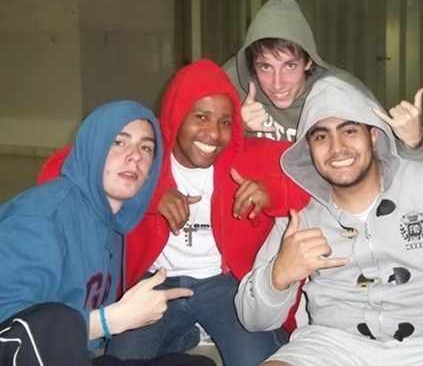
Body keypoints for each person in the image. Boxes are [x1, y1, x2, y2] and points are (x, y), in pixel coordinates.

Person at [235, 76, 423, 366]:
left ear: (374, 136)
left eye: (350, 131)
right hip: (331, 345)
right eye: (321, 137)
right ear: (309, 149)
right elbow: (251, 318)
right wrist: (278, 275)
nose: (337, 148)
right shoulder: (300, 210)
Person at [98, 60, 308, 365]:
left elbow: (316, 172)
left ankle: (188, 331)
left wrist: (271, 194)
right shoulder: (145, 155)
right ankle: (185, 334)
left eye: (225, 122)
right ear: (176, 115)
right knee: (118, 361)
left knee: (259, 362)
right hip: (157, 282)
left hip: (226, 285)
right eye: (201, 117)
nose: (214, 134)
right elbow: (65, 169)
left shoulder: (246, 158)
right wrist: (148, 196)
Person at [0, 100, 214, 366]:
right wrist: (109, 321)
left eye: (146, 147)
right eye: (119, 142)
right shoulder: (41, 218)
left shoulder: (114, 219)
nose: (135, 156)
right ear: (92, 147)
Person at [223, 0, 423, 163]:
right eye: (266, 67)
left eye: (290, 66)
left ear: (309, 61)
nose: (278, 83)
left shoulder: (342, 93)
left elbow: (405, 175)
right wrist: (235, 127)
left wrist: (414, 142)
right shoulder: (231, 82)